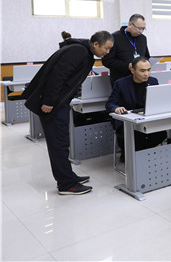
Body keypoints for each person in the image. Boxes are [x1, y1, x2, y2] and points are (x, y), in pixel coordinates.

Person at [23, 30, 114, 195]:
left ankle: (68, 175)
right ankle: (66, 184)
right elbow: (57, 76)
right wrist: (49, 101)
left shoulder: (82, 51)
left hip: (59, 102)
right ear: (95, 44)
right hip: (53, 103)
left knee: (62, 142)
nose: (107, 52)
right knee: (58, 144)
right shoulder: (78, 51)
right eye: (106, 48)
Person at [106, 57, 167, 162]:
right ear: (133, 70)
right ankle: (131, 155)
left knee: (160, 133)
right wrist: (116, 108)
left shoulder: (153, 81)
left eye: (149, 70)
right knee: (135, 136)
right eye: (142, 71)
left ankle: (143, 155)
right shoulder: (121, 83)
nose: (146, 74)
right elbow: (110, 103)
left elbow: (158, 100)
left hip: (146, 118)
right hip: (127, 122)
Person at [103, 14, 150, 85]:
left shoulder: (143, 38)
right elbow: (107, 61)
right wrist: (127, 66)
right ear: (130, 24)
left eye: (143, 29)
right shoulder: (115, 38)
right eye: (139, 28)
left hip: (140, 79)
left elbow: (146, 56)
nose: (141, 31)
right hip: (121, 80)